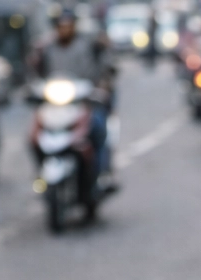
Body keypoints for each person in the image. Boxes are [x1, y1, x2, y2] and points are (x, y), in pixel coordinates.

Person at [34, 9, 116, 189]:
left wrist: (102, 85)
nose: (64, 30)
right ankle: (41, 175)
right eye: (61, 26)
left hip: (84, 102)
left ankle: (101, 175)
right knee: (33, 135)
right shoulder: (47, 48)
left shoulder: (88, 44)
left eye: (68, 26)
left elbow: (106, 65)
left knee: (99, 129)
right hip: (56, 106)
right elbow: (37, 72)